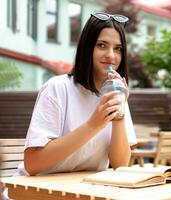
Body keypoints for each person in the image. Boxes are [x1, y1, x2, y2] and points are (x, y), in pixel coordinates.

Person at [17, 12, 137, 176]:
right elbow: (32, 163)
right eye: (101, 45)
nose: (111, 56)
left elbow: (120, 164)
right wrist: (93, 125)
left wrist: (119, 114)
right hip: (35, 190)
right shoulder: (58, 87)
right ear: (87, 48)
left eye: (118, 49)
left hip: (81, 189)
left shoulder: (116, 95)